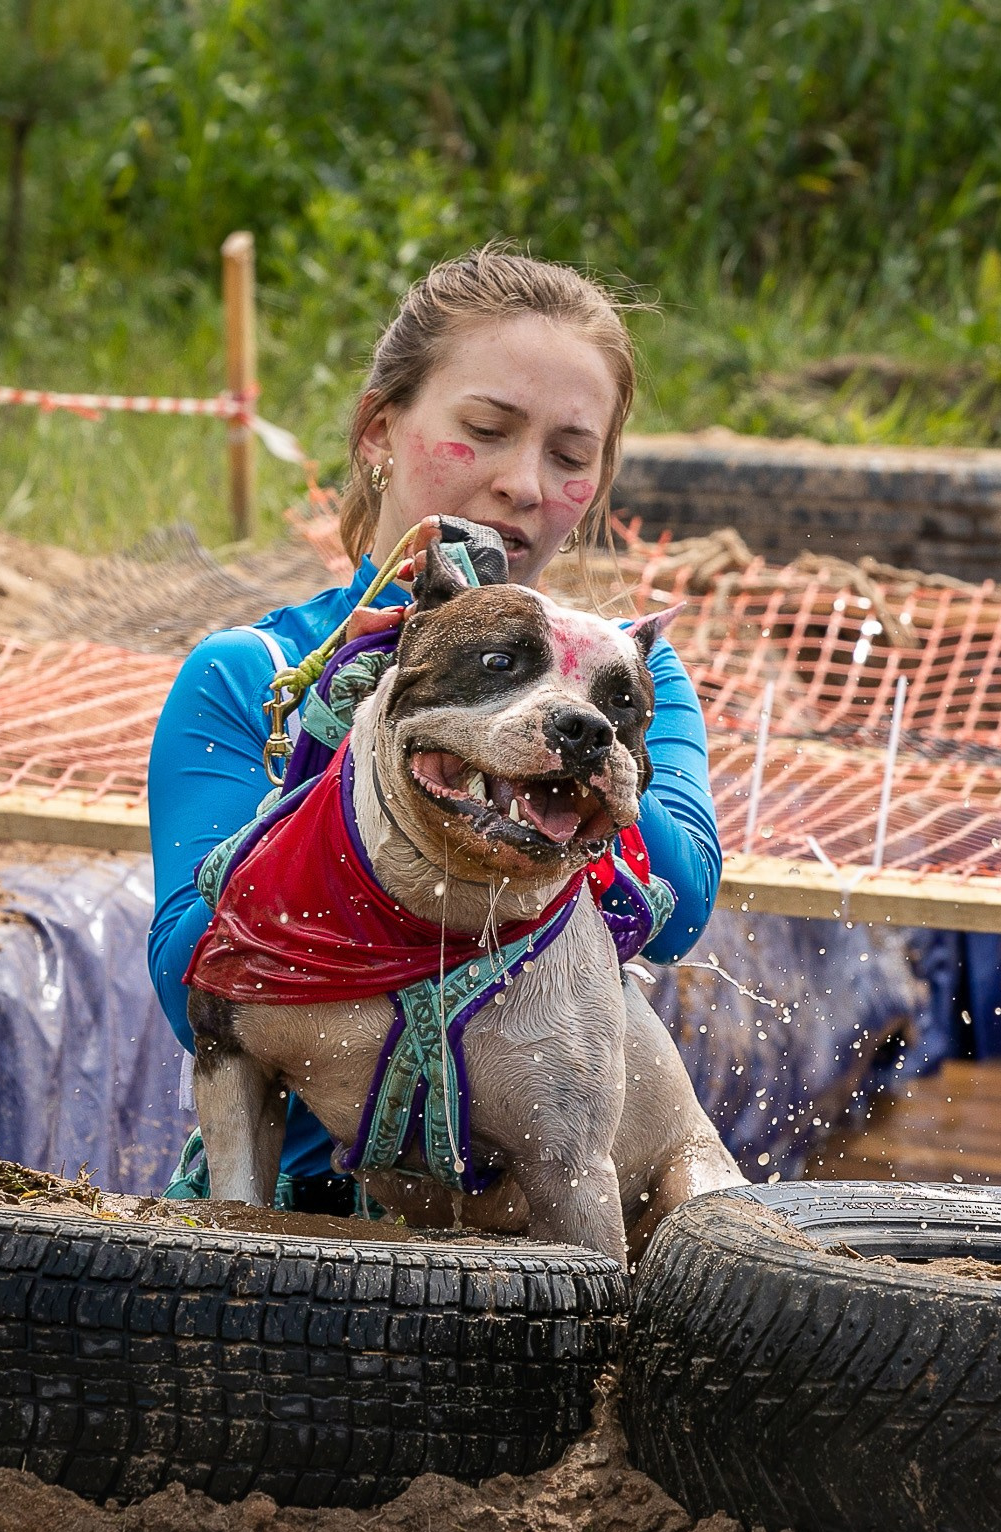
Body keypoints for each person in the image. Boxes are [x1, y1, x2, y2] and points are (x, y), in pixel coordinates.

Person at [144, 246, 722, 1206]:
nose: (523, 483)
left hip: (528, 1208)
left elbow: (681, 908)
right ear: (380, 430)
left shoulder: (625, 674)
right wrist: (344, 726)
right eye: (486, 431)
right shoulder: (258, 673)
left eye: (569, 456)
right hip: (293, 1208)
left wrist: (582, 731)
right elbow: (186, 982)